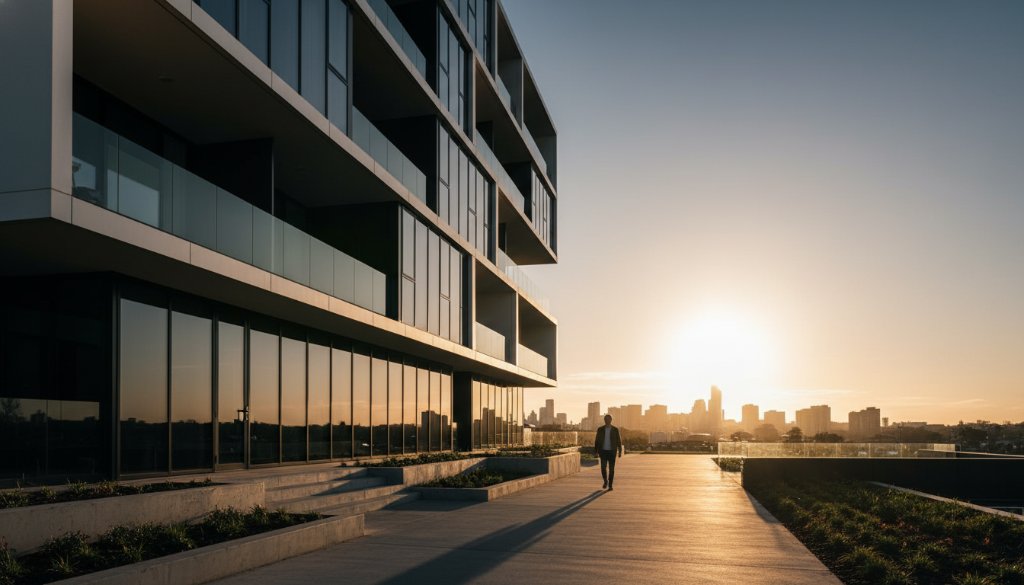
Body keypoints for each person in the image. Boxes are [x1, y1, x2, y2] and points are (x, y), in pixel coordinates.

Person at [593, 414, 623, 490]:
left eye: (608, 419)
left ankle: (610, 485)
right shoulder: (600, 429)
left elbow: (619, 441)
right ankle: (605, 481)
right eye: (605, 419)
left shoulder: (615, 429)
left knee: (611, 469)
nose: (607, 420)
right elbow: (597, 441)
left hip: (612, 452)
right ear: (604, 420)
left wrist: (620, 451)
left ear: (611, 420)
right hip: (603, 452)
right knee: (603, 468)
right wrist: (596, 451)